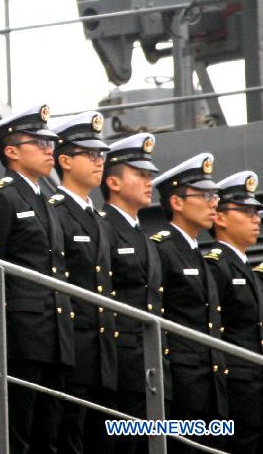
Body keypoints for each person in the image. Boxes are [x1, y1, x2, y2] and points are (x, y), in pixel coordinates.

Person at [0, 105, 74, 454]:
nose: (49, 149)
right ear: (12, 151)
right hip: (23, 330)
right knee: (18, 428)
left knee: (47, 432)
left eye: (50, 142)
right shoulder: (3, 195)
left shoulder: (45, 202)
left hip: (54, 332)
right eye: (38, 142)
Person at [47, 112, 117, 454]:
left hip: (101, 348)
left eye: (101, 155)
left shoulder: (99, 220)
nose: (98, 161)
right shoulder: (55, 211)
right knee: (69, 433)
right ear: (64, 161)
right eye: (89, 155)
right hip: (73, 343)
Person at [150, 153, 228, 452]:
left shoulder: (199, 253)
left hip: (208, 384)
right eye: (204, 195)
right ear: (177, 202)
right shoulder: (163, 248)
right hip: (182, 381)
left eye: (215, 195)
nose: (213, 203)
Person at [100, 133, 168, 454]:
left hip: (150, 362)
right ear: (113, 182)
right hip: (121, 357)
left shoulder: (144, 235)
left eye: (150, 174)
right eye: (139, 174)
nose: (148, 180)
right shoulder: (104, 227)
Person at [203, 171, 262, 453]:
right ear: (221, 218)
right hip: (236, 385)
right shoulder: (216, 264)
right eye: (246, 211)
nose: (256, 218)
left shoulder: (246, 268)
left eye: (257, 212)